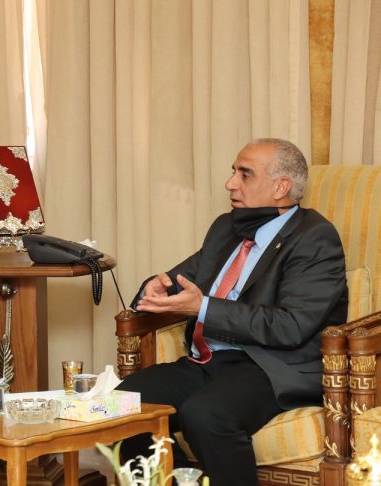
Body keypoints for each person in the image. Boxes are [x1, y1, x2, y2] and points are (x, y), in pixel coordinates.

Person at [115, 138, 348, 486]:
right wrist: (156, 286)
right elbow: (181, 280)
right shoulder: (227, 227)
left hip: (270, 367)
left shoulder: (315, 238)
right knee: (118, 409)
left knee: (205, 415)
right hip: (208, 361)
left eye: (245, 174)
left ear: (281, 187)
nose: (230, 183)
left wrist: (203, 307)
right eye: (233, 172)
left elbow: (291, 325)